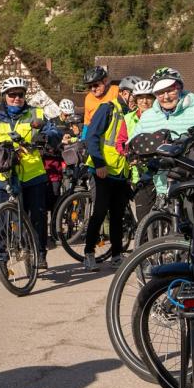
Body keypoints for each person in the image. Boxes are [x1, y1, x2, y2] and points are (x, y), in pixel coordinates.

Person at [0, 76, 60, 269]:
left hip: (31, 173)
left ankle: (39, 253)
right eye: (12, 95)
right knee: (1, 221)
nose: (16, 98)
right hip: (0, 174)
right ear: (4, 96)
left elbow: (54, 131)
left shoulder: (35, 113)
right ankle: (2, 259)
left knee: (36, 216)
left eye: (20, 94)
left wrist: (47, 136)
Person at [82, 75, 134, 270]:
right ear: (125, 93)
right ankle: (89, 253)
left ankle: (117, 254)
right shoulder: (108, 108)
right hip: (102, 169)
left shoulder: (131, 114)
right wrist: (99, 163)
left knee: (118, 215)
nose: (137, 100)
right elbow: (92, 137)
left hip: (121, 171)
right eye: (134, 95)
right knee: (100, 212)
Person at [132, 66, 194, 197]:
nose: (166, 97)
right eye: (160, 92)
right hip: (161, 185)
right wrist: (133, 154)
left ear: (180, 88)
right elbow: (133, 141)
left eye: (170, 90)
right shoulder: (148, 116)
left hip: (192, 184)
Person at [120, 79, 158, 221]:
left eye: (148, 97)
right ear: (135, 100)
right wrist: (128, 155)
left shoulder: (161, 116)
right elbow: (121, 142)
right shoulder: (128, 118)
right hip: (140, 174)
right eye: (140, 98)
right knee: (143, 217)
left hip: (162, 172)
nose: (144, 101)